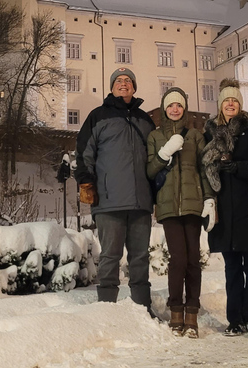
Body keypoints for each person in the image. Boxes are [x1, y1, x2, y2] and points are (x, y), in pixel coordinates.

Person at [75, 68, 156, 313]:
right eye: (119, 81)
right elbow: (84, 153)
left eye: (128, 80)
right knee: (110, 255)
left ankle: (143, 307)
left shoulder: (145, 120)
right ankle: (107, 308)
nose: (124, 84)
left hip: (141, 201)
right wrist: (86, 181)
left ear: (134, 87)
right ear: (112, 87)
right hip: (109, 200)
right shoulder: (97, 116)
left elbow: (155, 158)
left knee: (140, 256)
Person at [202, 79, 248, 339]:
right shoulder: (210, 132)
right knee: (231, 267)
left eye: (234, 100)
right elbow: (203, 167)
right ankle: (235, 320)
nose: (230, 103)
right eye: (226, 100)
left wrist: (240, 167)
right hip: (225, 210)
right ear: (220, 105)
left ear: (240, 104)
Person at [146, 87, 215, 338]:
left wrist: (209, 199)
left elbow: (205, 169)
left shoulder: (196, 135)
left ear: (184, 109)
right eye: (170, 106)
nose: (175, 109)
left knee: (193, 260)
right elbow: (150, 171)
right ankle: (176, 310)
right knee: (178, 260)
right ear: (165, 109)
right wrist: (164, 154)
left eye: (179, 106)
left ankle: (192, 314)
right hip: (168, 206)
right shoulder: (154, 136)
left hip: (193, 204)